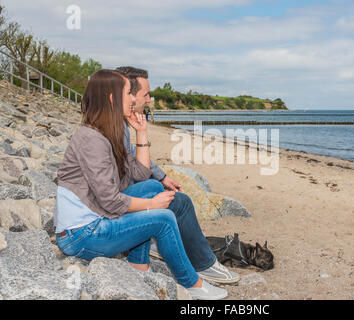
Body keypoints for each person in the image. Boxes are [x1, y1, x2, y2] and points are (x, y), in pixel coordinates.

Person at [54, 69, 227, 300]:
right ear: (112, 98)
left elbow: (141, 173)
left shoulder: (107, 133)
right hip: (80, 235)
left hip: (96, 217)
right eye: (128, 93)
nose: (134, 99)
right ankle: (193, 283)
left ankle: (138, 264)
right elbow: (110, 201)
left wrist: (142, 133)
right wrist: (151, 205)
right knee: (163, 219)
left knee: (152, 187)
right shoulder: (91, 139)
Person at [115, 66, 240, 285]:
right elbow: (129, 174)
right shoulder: (115, 127)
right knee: (180, 202)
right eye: (146, 94)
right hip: (115, 204)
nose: (150, 99)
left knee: (160, 188)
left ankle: (155, 243)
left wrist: (161, 176)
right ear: (129, 94)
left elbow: (134, 157)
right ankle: (203, 265)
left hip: (118, 195)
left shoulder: (118, 121)